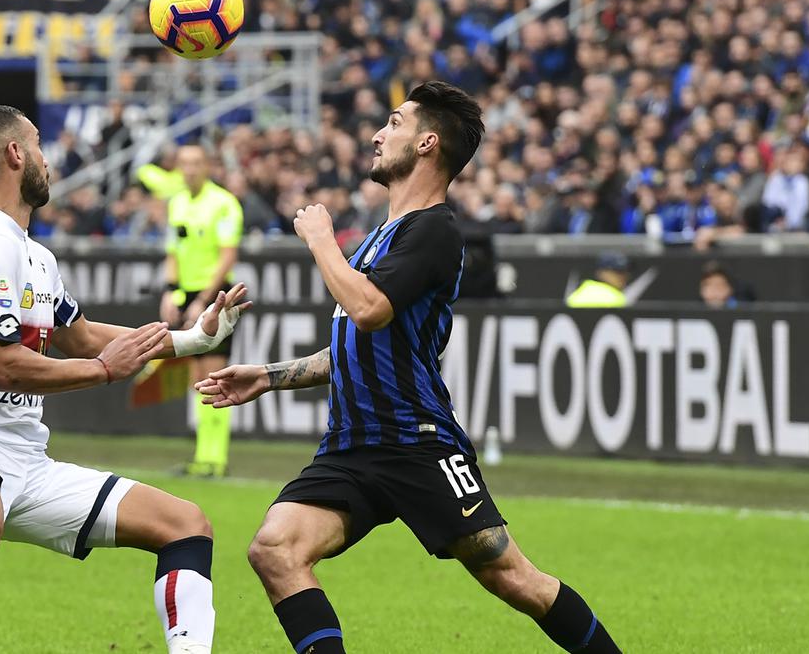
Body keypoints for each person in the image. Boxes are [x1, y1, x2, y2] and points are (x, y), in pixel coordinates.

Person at [196, 82, 619, 654]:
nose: (377, 134)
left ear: (426, 143)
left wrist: (321, 241)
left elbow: (368, 310)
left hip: (417, 442)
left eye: (393, 123)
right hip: (353, 446)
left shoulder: (435, 230)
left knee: (515, 579)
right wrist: (269, 377)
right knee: (275, 549)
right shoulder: (383, 235)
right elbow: (359, 344)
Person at [0, 106, 250, 654]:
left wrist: (191, 341)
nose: (48, 159)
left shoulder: (33, 255)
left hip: (23, 458)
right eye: (38, 144)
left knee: (186, 525)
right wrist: (104, 372)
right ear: (15, 155)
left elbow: (82, 337)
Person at [159, 145, 244, 478]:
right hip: (187, 293)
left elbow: (227, 257)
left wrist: (205, 301)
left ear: (207, 166)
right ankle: (201, 456)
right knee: (197, 378)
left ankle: (215, 459)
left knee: (215, 376)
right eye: (184, 163)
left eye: (196, 163)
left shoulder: (223, 203)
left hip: (216, 295)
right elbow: (172, 251)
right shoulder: (177, 203)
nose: (190, 169)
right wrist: (170, 291)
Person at [566, 253, 630, 308]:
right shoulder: (617, 298)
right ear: (602, 272)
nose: (624, 276)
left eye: (626, 272)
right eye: (618, 272)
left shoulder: (580, 291)